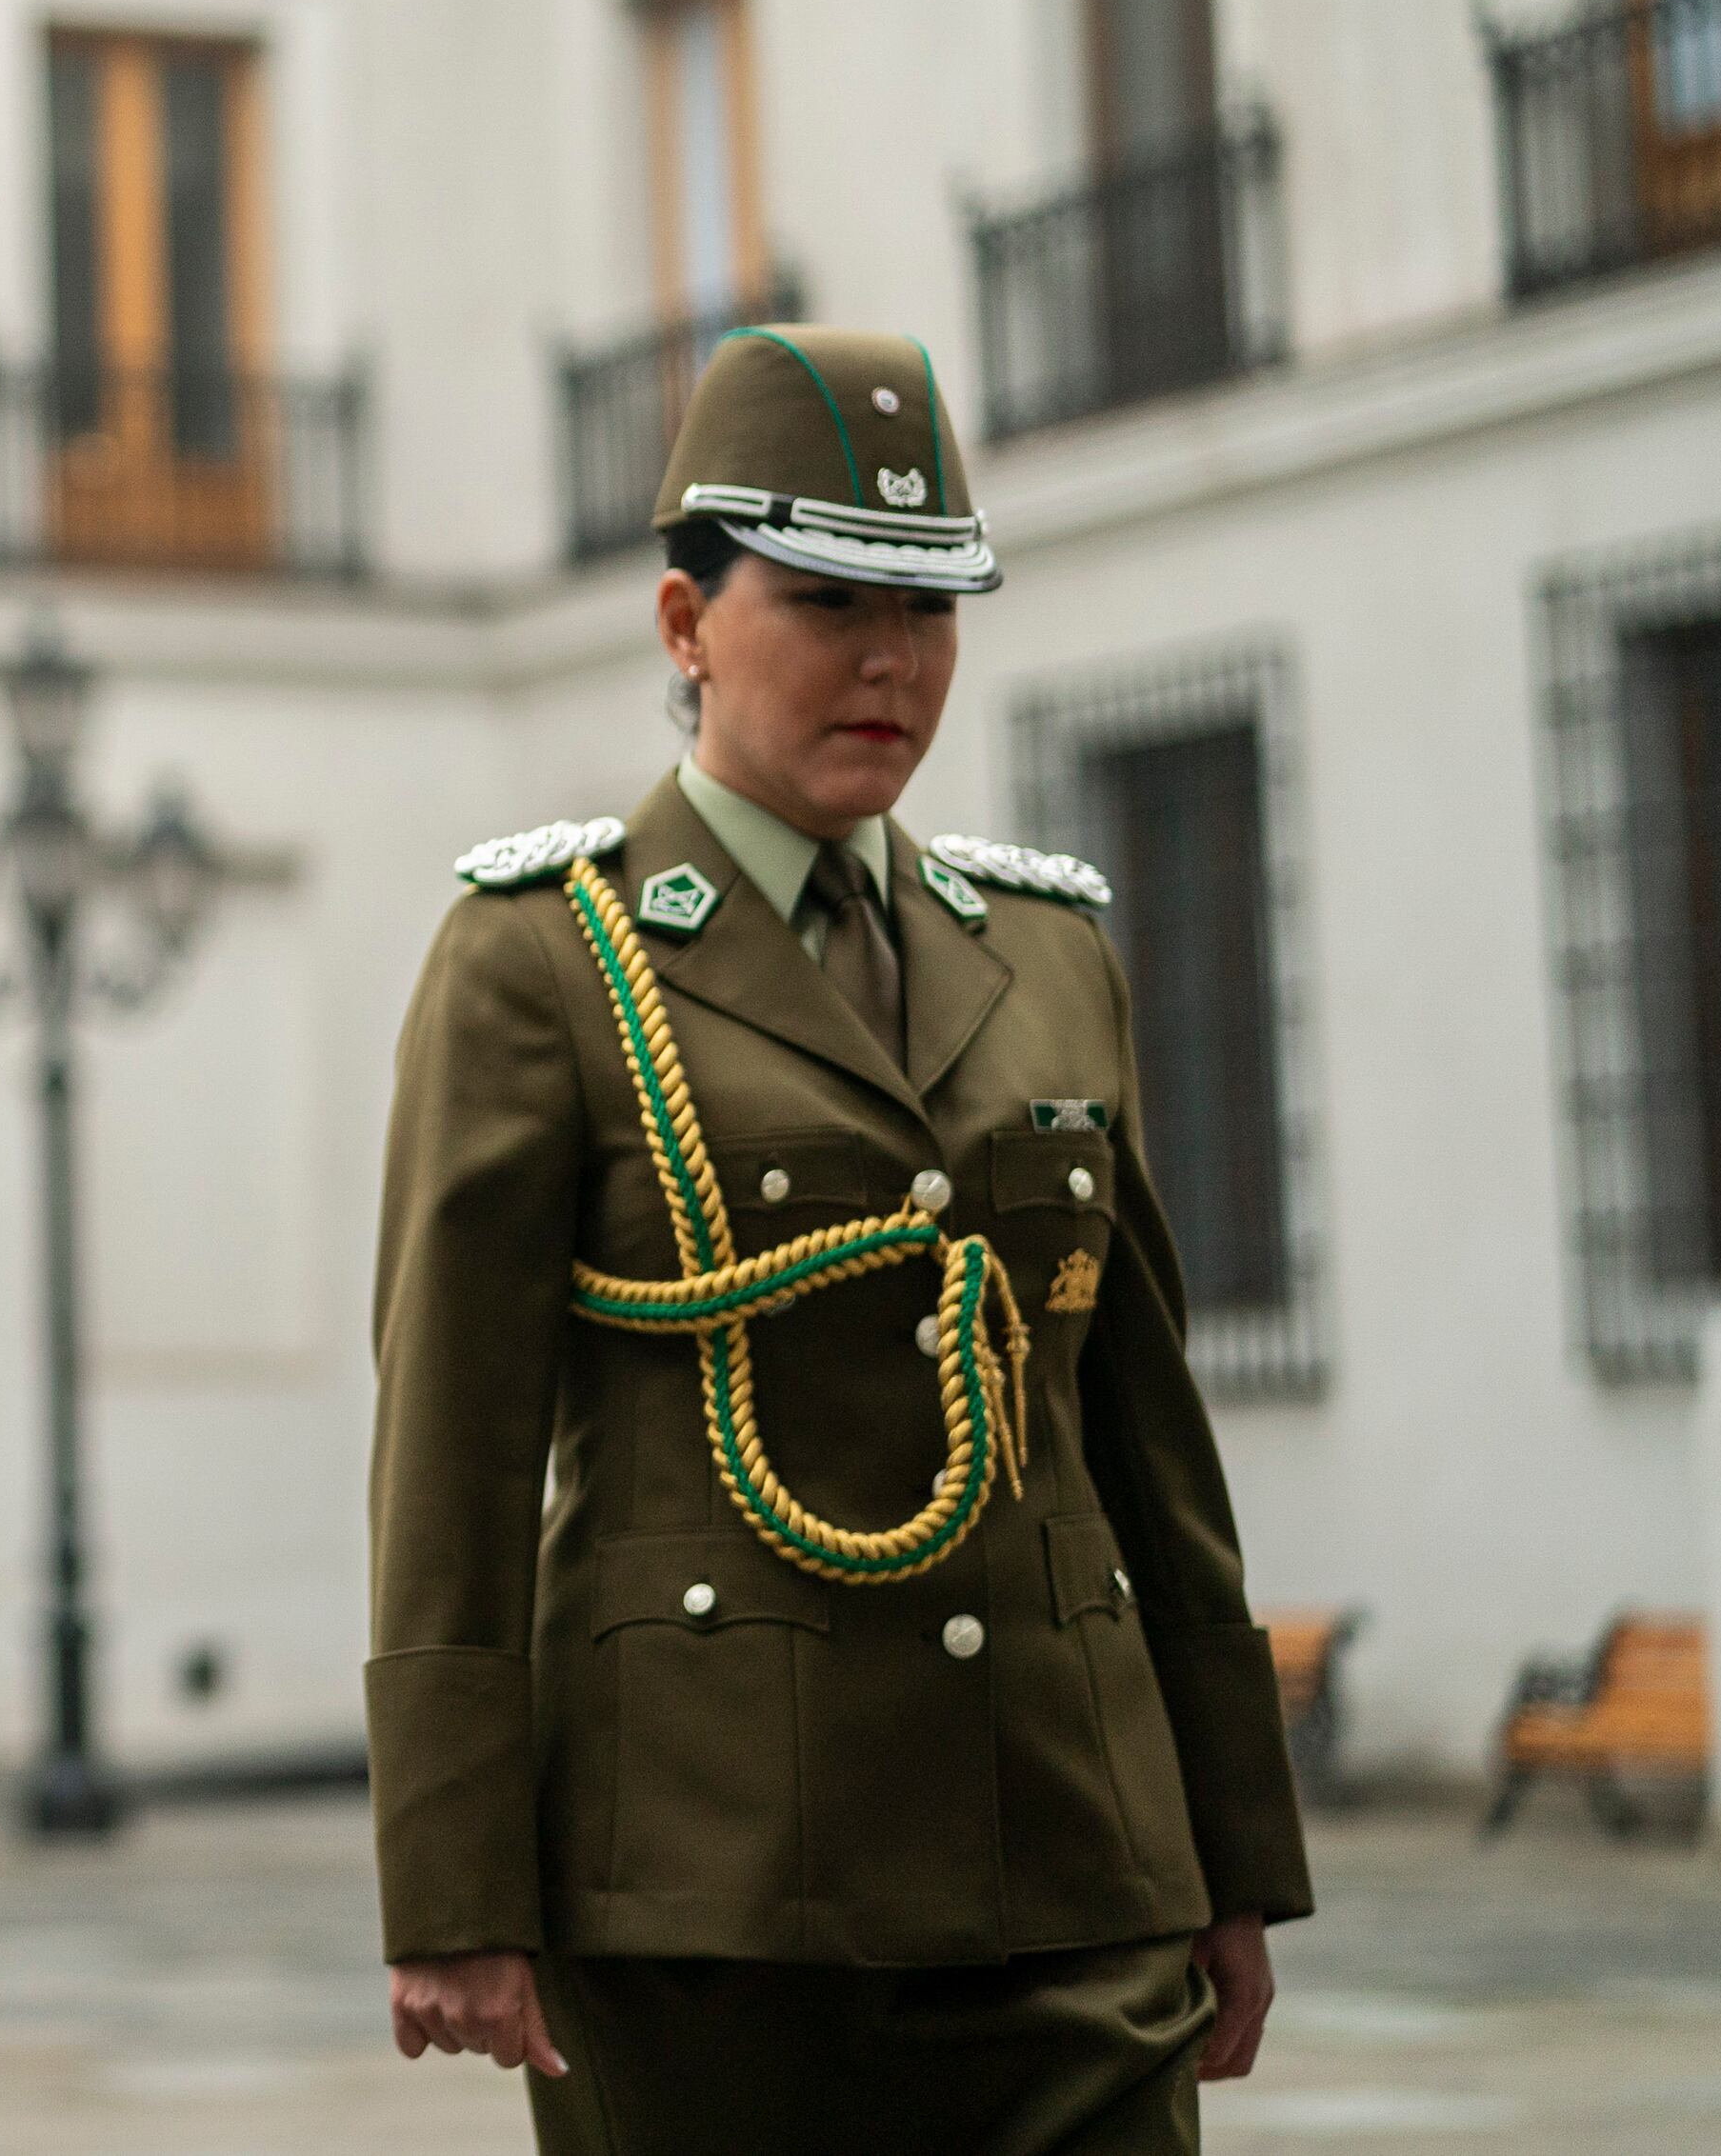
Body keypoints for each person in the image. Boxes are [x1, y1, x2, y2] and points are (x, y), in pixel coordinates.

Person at [368, 325, 1311, 2152]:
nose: (891, 660)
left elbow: (1145, 1438)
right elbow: (452, 1461)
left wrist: (1231, 1847)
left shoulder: (1045, 952)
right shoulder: (546, 957)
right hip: (715, 1896)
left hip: (1070, 1872)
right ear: (682, 621)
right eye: (823, 600)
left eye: (931, 607)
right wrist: (454, 1887)